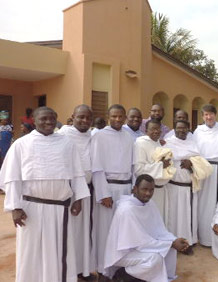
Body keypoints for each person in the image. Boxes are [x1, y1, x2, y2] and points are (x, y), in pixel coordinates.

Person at [0, 106, 90, 281]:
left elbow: (77, 173)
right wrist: (14, 207)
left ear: (56, 119)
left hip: (60, 209)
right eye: (43, 119)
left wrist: (78, 199)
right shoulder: (22, 144)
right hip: (30, 210)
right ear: (34, 120)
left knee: (58, 250)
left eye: (51, 118)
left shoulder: (66, 143)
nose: (48, 122)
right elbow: (12, 178)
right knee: (31, 252)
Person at [103, 174, 190, 282]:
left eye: (151, 190)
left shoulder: (149, 204)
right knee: (155, 258)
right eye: (144, 189)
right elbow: (141, 242)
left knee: (169, 250)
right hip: (122, 254)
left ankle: (143, 277)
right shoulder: (127, 210)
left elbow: (159, 231)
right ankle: (122, 275)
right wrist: (171, 244)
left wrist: (174, 240)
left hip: (138, 247)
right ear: (135, 189)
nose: (148, 193)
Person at [90, 104, 135, 277]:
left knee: (123, 231)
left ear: (124, 117)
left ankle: (119, 268)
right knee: (105, 231)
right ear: (109, 117)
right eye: (114, 116)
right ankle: (103, 269)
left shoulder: (128, 137)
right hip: (107, 188)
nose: (117, 119)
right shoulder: (99, 136)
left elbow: (133, 166)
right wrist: (103, 194)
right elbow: (96, 167)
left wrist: (133, 191)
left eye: (120, 116)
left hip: (125, 189)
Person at [57, 105, 96, 280]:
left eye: (88, 118)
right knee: (68, 234)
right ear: (72, 117)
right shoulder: (62, 136)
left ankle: (81, 270)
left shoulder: (93, 136)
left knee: (82, 234)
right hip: (67, 193)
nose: (84, 121)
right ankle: (66, 271)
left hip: (86, 192)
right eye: (81, 117)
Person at [165, 120, 210, 254]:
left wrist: (191, 163)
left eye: (184, 128)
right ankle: (174, 243)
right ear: (174, 129)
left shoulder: (193, 144)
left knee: (187, 217)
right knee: (173, 217)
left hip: (188, 188)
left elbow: (202, 165)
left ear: (188, 129)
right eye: (179, 128)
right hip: (172, 187)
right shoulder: (168, 143)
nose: (181, 130)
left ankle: (188, 243)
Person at [193, 104, 218, 247]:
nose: (209, 117)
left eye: (211, 114)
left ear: (216, 115)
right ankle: (205, 237)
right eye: (206, 115)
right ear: (202, 116)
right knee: (205, 203)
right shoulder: (198, 131)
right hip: (205, 170)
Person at [134, 119, 171, 224]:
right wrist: (160, 165)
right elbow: (139, 170)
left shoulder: (160, 143)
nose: (156, 131)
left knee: (160, 221)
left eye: (158, 129)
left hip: (162, 190)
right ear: (146, 131)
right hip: (148, 192)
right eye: (152, 129)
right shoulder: (140, 143)